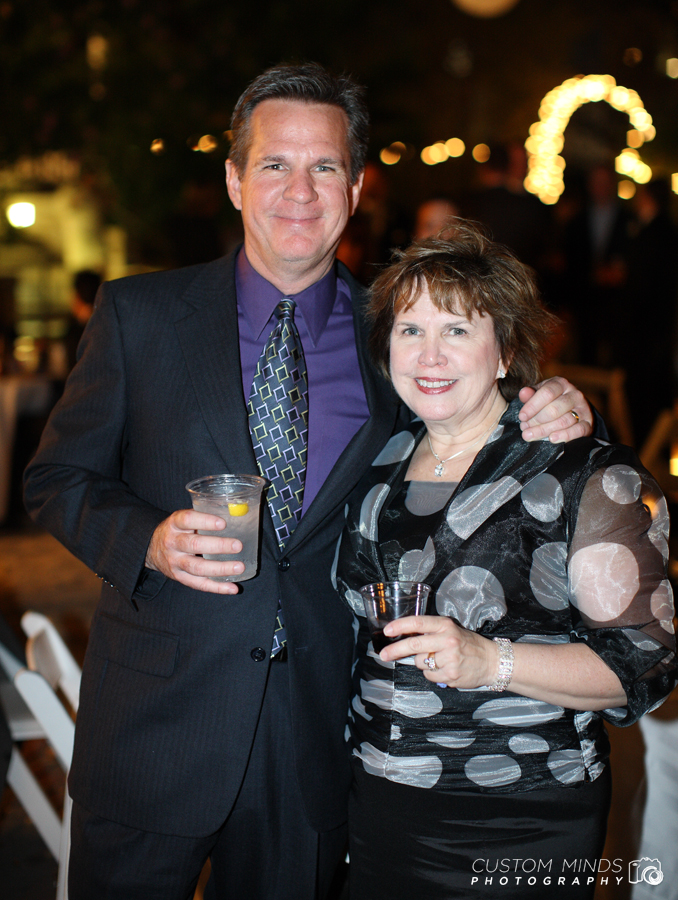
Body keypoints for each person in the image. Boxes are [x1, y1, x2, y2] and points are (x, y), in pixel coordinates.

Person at [23, 64, 593, 900]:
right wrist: (144, 537)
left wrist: (554, 403)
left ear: (356, 187)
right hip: (157, 726)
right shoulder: (138, 317)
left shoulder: (396, 342)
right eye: (274, 164)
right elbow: (56, 476)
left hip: (317, 731)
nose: (300, 189)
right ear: (233, 179)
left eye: (324, 166)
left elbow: (479, 418)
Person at [335, 221, 677, 900]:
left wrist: (491, 662)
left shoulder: (587, 473)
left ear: (505, 352)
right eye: (410, 330)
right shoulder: (377, 466)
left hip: (519, 819)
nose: (429, 354)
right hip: (379, 807)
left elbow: (646, 665)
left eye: (457, 330)